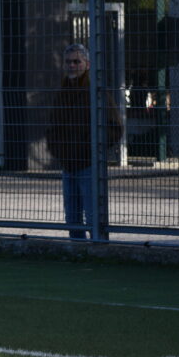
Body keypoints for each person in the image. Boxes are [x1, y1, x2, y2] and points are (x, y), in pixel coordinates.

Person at [46, 43, 123, 239]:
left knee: (93, 215)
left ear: (87, 64)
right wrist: (58, 150)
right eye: (68, 62)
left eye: (76, 61)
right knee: (72, 217)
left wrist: (93, 148)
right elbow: (52, 126)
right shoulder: (62, 93)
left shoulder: (97, 93)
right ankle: (78, 249)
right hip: (68, 164)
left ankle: (98, 247)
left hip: (89, 164)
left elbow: (115, 127)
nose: (72, 65)